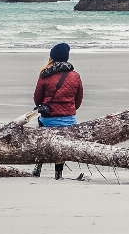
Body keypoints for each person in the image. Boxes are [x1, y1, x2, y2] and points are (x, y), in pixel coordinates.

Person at [32, 42, 83, 179]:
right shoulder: (75, 76)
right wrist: (69, 110)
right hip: (69, 119)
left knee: (43, 141)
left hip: (48, 119)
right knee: (61, 144)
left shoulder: (45, 75)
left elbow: (37, 99)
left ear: (52, 58)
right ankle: (58, 173)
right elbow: (78, 100)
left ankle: (37, 168)